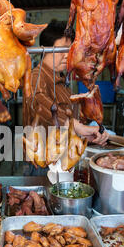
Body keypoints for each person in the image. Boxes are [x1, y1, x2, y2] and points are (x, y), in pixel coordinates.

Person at [22, 20, 109, 175]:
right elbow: (41, 106)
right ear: (45, 49)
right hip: (43, 162)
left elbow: (64, 125)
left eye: (68, 51)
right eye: (60, 50)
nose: (65, 56)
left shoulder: (61, 82)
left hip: (62, 159)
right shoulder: (36, 77)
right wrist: (78, 126)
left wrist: (85, 134)